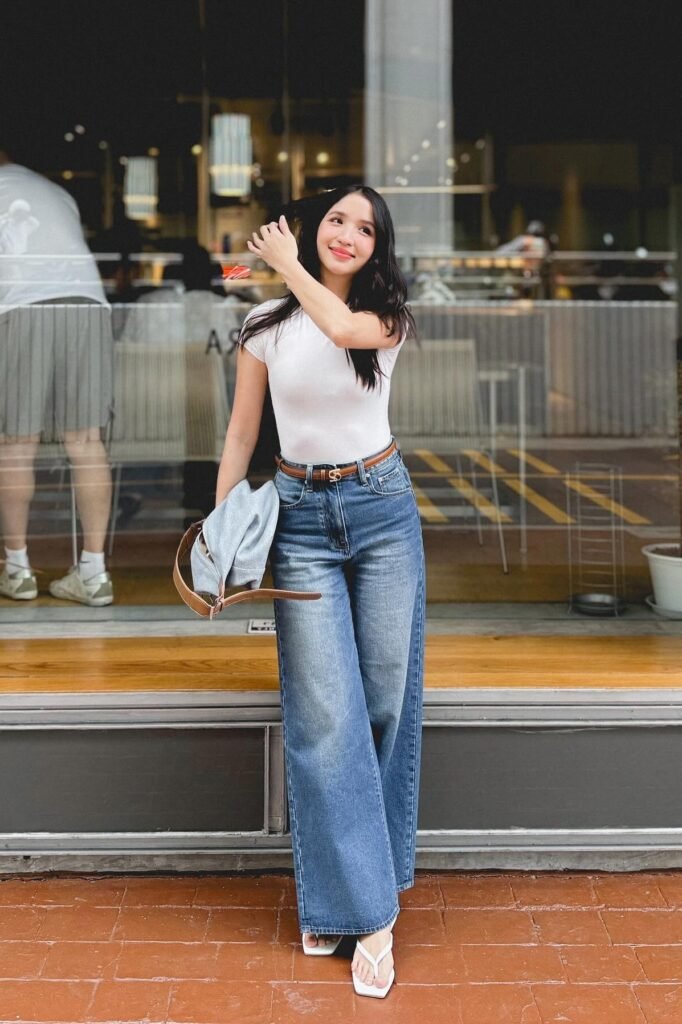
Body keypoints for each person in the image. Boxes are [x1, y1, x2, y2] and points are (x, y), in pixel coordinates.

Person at [215, 185, 424, 998]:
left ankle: (342, 894)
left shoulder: (386, 316)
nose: (349, 234)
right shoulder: (264, 329)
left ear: (378, 247)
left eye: (365, 228)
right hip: (299, 519)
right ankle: (369, 917)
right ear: (313, 225)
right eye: (337, 219)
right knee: (325, 713)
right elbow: (241, 433)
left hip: (381, 512)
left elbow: (337, 329)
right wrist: (220, 527)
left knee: (380, 703)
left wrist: (288, 264)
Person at [0, 146, 114, 605]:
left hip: (22, 305)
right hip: (88, 303)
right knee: (85, 440)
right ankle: (93, 573)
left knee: (17, 441)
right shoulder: (54, 190)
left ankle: (17, 570)